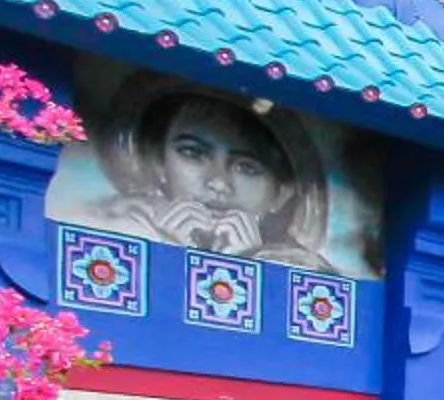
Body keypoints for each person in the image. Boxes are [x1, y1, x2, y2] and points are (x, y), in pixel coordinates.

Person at [83, 91, 338, 271]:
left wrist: (247, 265)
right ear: (159, 163)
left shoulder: (304, 272)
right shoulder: (110, 226)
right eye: (193, 154)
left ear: (282, 193)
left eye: (247, 168)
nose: (218, 183)